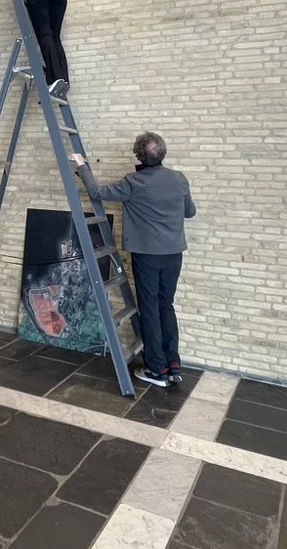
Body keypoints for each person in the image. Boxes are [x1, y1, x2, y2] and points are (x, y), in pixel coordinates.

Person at [69, 132, 196, 388]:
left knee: (149, 308)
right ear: (163, 153)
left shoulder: (133, 182)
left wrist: (81, 165)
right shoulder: (179, 179)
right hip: (174, 254)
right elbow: (189, 212)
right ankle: (173, 365)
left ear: (139, 156)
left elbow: (95, 191)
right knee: (166, 306)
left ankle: (157, 370)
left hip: (147, 256)